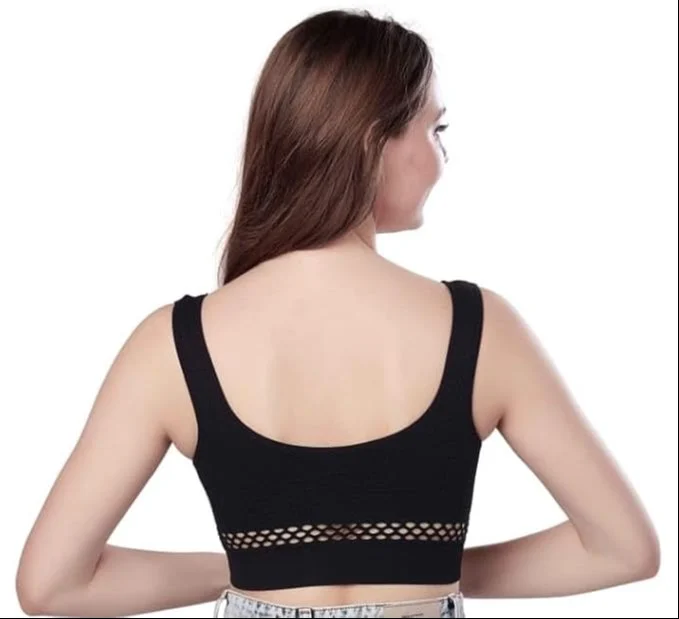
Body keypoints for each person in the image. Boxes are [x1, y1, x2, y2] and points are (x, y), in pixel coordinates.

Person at [15, 8, 660, 619]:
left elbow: (52, 585)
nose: (441, 158)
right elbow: (621, 549)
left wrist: (243, 570)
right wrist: (422, 566)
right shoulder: (480, 328)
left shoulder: (173, 344)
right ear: (374, 142)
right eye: (435, 130)